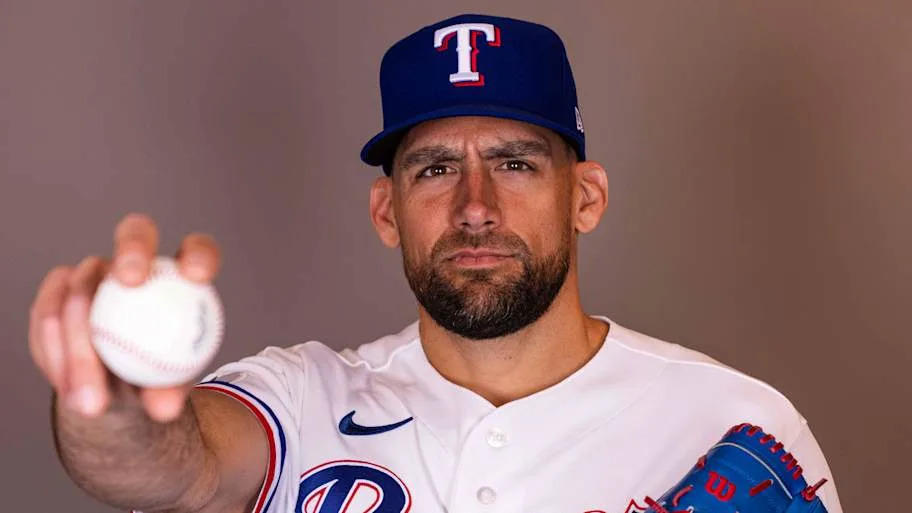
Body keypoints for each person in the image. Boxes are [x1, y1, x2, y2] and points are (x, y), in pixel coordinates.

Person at [28, 13, 842, 513]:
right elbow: (167, 469)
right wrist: (109, 400)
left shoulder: (731, 423)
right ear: (387, 210)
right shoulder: (303, 400)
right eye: (435, 168)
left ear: (586, 197)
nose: (475, 205)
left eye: (516, 163)